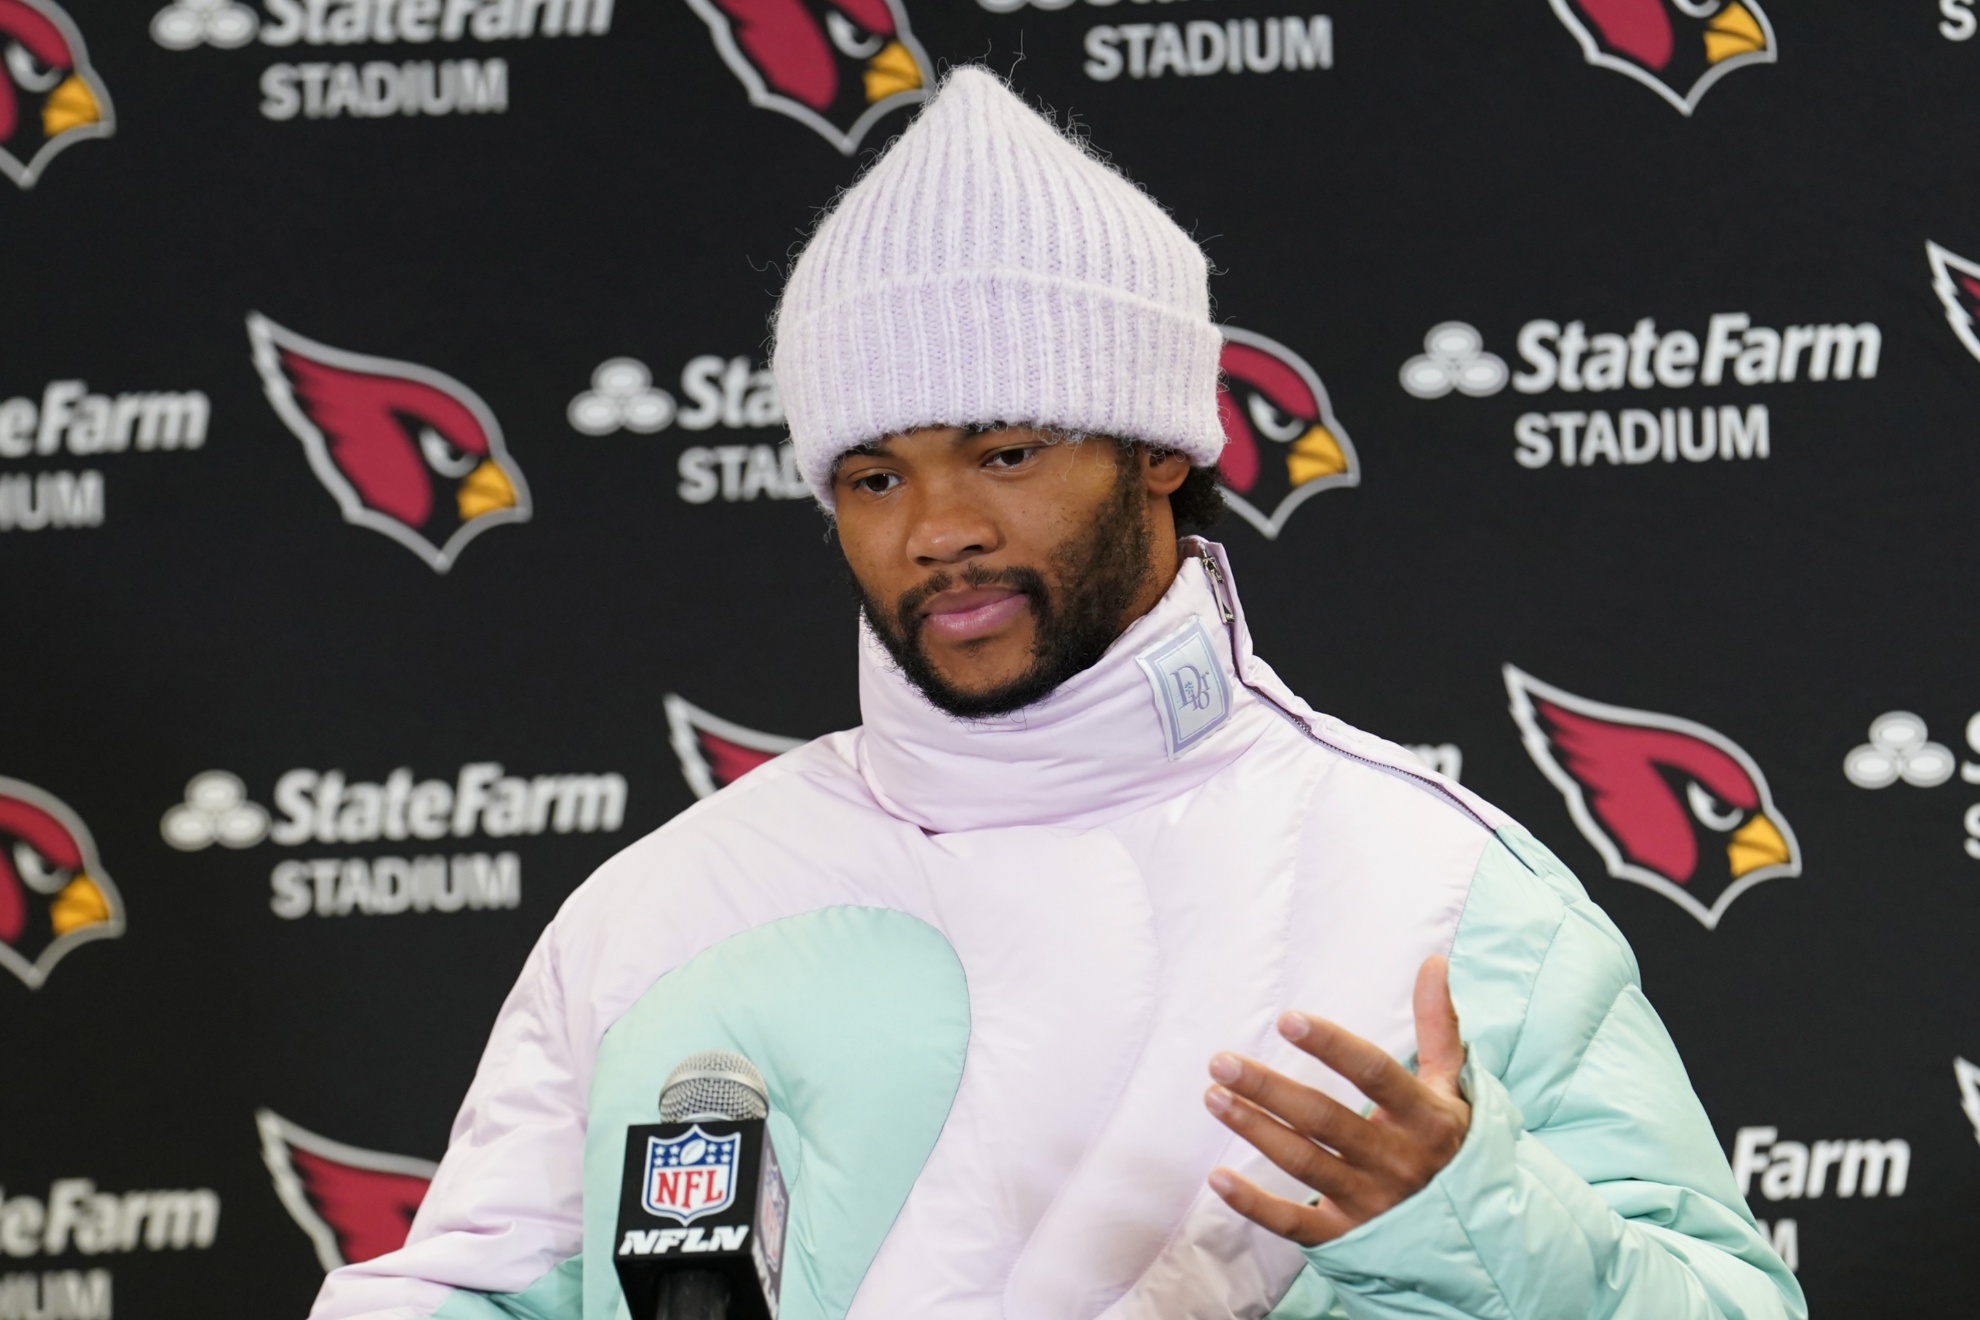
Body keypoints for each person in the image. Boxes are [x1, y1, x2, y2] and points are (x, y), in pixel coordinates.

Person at [311, 67, 1804, 1320]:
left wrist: (1470, 1209)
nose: (937, 526)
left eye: (1005, 452)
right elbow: (487, 1291)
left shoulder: (1437, 883)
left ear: (1160, 446)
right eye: (875, 475)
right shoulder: (662, 907)